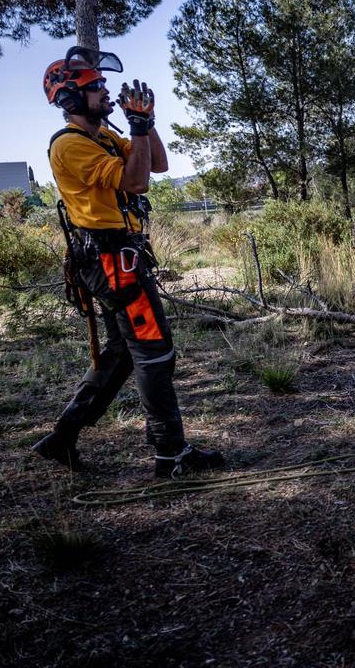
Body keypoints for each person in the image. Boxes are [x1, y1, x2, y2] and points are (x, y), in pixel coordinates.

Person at [32, 46, 225, 479]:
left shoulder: (103, 137)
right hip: (110, 263)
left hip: (117, 258)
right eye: (93, 88)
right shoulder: (70, 146)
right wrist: (136, 130)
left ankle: (61, 438)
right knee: (155, 351)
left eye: (101, 85)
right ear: (70, 100)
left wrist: (146, 125)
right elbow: (135, 181)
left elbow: (157, 164)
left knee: (120, 354)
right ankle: (170, 453)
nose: (104, 92)